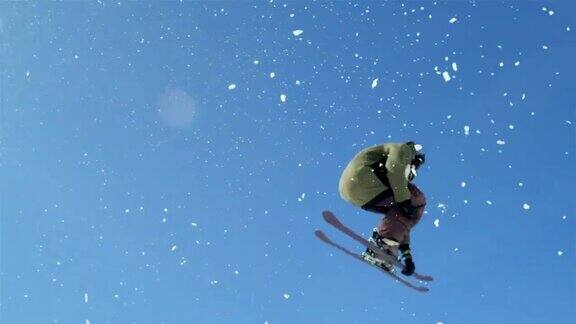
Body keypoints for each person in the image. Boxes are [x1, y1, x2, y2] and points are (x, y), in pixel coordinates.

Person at [338, 141, 426, 275]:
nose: (412, 175)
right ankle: (384, 244)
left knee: (403, 210)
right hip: (363, 179)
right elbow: (394, 168)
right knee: (417, 200)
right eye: (413, 171)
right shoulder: (404, 150)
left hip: (356, 191)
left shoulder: (398, 177)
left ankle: (387, 248)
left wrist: (406, 255)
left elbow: (402, 220)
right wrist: (405, 201)